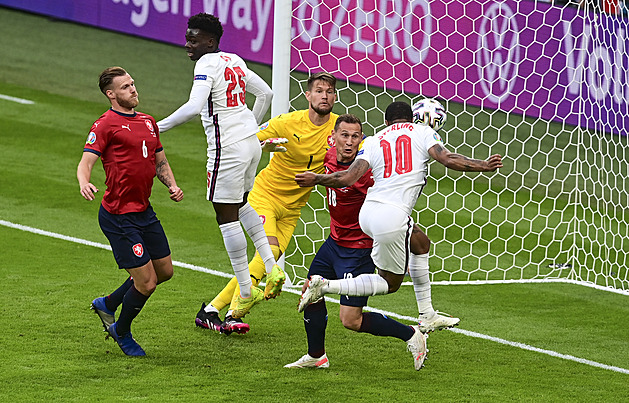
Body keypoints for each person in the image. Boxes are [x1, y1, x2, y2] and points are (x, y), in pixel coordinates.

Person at [295, 101, 503, 327]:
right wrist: (484, 165)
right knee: (390, 283)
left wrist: (316, 178)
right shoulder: (424, 132)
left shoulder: (373, 140)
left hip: (368, 214)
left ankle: (427, 314)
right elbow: (447, 159)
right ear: (412, 119)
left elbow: (348, 177)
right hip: (391, 216)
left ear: (386, 123)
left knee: (421, 243)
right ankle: (325, 286)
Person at [156, 13, 284, 319]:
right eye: (188, 37)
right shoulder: (235, 60)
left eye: (194, 39)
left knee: (225, 215)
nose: (188, 44)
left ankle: (244, 289)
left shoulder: (207, 63)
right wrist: (250, 127)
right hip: (250, 144)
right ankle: (272, 267)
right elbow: (266, 93)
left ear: (210, 42)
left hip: (227, 148)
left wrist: (154, 128)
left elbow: (193, 107)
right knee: (240, 205)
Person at [195, 72, 338, 334]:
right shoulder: (287, 122)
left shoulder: (338, 129)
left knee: (263, 263)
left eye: (329, 91)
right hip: (265, 196)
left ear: (335, 96)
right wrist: (264, 145)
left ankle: (211, 311)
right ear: (308, 96)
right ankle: (233, 313)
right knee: (268, 255)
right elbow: (249, 138)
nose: (324, 95)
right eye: (318, 90)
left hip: (293, 209)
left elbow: (361, 150)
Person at [284, 114, 428, 370]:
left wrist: (403, 236)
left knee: (351, 320)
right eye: (345, 135)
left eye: (355, 136)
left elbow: (388, 206)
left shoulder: (366, 174)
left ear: (362, 139)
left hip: (358, 250)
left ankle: (412, 334)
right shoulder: (328, 156)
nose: (350, 142)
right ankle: (317, 356)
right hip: (334, 243)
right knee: (310, 292)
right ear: (334, 137)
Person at [78, 66, 184, 356]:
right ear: (111, 94)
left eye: (133, 84)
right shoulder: (105, 124)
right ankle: (121, 330)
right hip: (118, 216)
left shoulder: (148, 122)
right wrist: (84, 182)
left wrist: (172, 185)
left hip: (144, 212)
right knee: (147, 282)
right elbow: (86, 160)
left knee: (164, 272)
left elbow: (160, 160)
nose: (133, 89)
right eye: (125, 87)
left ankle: (109, 304)